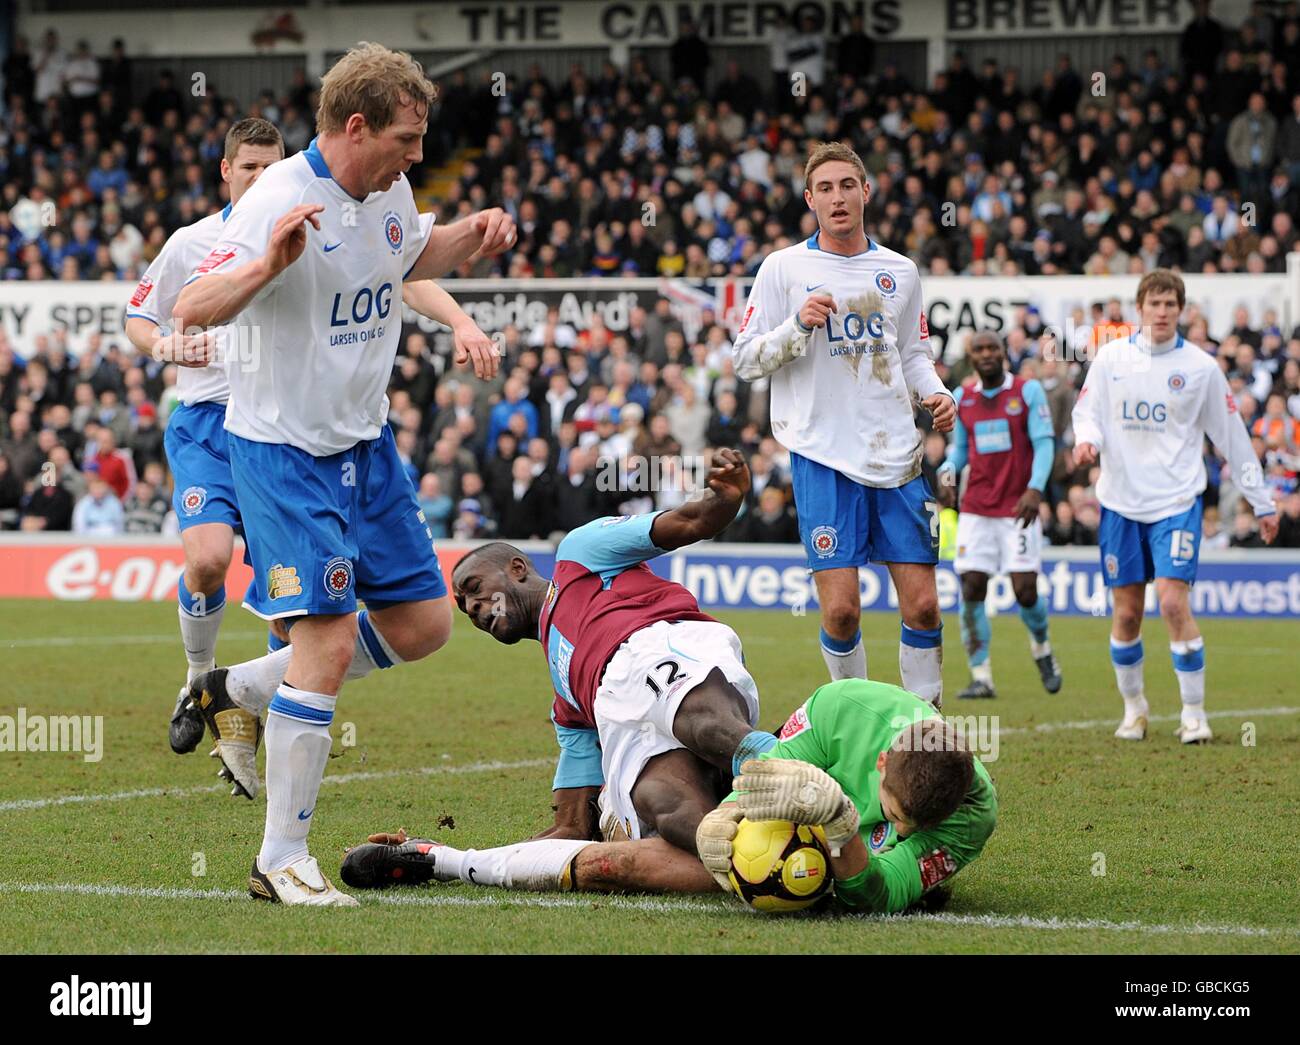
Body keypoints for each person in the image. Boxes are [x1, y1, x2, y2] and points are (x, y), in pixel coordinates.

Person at [173, 43, 515, 907]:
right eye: (406, 137)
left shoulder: (386, 189)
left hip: (367, 448)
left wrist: (464, 239)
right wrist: (264, 268)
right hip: (285, 452)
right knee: (323, 643)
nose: (419, 154)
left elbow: (405, 257)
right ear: (355, 126)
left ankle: (233, 688)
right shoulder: (277, 199)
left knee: (426, 622)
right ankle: (281, 857)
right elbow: (191, 309)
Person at [340, 679, 996, 916]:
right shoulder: (839, 707)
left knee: (879, 886)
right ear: (881, 759)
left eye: (909, 825)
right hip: (777, 839)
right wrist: (725, 832)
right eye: (893, 807)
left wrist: (843, 823)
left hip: (834, 856)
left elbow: (876, 894)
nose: (899, 825)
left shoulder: (970, 810)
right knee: (612, 863)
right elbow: (751, 789)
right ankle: (439, 857)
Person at [447, 449, 770, 856]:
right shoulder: (567, 703)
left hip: (658, 645)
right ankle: (760, 856)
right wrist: (464, 859)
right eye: (464, 608)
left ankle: (796, 775)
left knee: (701, 723)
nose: (474, 608)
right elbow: (571, 828)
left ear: (516, 567)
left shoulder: (578, 554)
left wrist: (726, 497)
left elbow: (692, 521)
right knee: (661, 802)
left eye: (474, 589)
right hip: (627, 710)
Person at [731, 141, 955, 705]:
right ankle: (856, 719)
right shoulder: (783, 268)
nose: (837, 197)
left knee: (924, 604)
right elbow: (745, 358)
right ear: (810, 200)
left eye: (847, 186)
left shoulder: (899, 271)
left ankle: (926, 731)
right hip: (823, 455)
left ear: (866, 192)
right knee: (840, 609)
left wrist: (937, 393)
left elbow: (912, 355)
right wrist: (797, 327)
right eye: (825, 189)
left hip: (898, 454)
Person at [124, 118, 286, 755]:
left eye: (271, 167)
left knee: (286, 589)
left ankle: (263, 709)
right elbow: (139, 315)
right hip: (208, 424)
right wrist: (164, 343)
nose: (260, 178)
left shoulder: (304, 233)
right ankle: (197, 681)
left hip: (279, 426)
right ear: (226, 171)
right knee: (208, 560)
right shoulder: (194, 242)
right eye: (249, 167)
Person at [1071, 269, 1278, 744]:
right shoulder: (1111, 358)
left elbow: (1233, 438)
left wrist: (1261, 503)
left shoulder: (1202, 368)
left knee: (1170, 602)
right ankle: (1135, 709)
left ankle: (1193, 713)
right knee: (1125, 614)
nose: (1161, 312)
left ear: (1180, 311)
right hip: (1120, 503)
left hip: (1176, 502)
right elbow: (1088, 414)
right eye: (1154, 303)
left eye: (1170, 305)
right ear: (1139, 307)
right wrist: (1087, 442)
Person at [939, 331, 1062, 699]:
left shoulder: (1026, 392)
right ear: (971, 357)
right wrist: (946, 472)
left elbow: (1043, 443)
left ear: (1003, 352)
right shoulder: (964, 398)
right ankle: (981, 676)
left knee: (1024, 591)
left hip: (1017, 508)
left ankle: (1042, 649)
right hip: (976, 509)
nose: (987, 354)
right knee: (972, 587)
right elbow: (959, 451)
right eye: (979, 350)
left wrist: (1035, 488)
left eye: (993, 348)